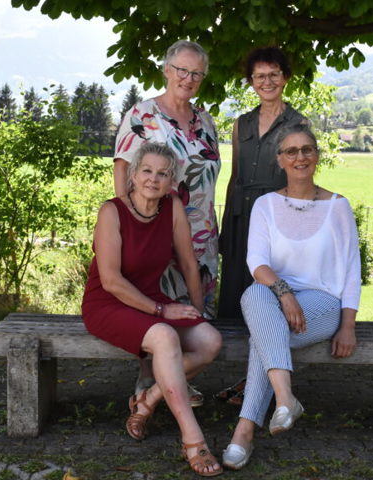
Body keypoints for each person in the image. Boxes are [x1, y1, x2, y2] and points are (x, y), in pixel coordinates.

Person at [221, 125, 360, 470]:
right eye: (292, 151)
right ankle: (282, 400)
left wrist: (348, 326)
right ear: (279, 159)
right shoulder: (267, 205)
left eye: (307, 149)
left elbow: (352, 271)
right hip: (275, 296)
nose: (300, 157)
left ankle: (245, 430)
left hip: (323, 303)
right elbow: (257, 263)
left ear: (317, 155)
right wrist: (284, 294)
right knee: (255, 296)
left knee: (262, 335)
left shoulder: (338, 207)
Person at [82, 142, 223, 477]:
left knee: (210, 342)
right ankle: (193, 438)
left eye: (162, 173)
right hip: (108, 302)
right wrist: (163, 311)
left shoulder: (171, 207)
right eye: (146, 170)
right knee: (163, 337)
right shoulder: (111, 211)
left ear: (171, 180)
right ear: (133, 174)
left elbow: (189, 265)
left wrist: (197, 310)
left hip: (151, 299)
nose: (153, 179)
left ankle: (148, 400)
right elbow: (112, 280)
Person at [114, 40, 221, 404]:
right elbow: (123, 172)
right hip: (154, 230)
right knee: (155, 303)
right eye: (181, 70)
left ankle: (175, 382)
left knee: (194, 311)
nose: (188, 78)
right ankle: (148, 380)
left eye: (196, 73)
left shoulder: (206, 120)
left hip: (201, 234)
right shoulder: (142, 115)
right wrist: (131, 223)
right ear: (166, 70)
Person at [215, 46, 308, 406]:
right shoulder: (241, 123)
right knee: (237, 301)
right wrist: (227, 229)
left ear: (284, 78)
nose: (266, 82)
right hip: (240, 220)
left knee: (267, 301)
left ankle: (262, 386)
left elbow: (300, 180)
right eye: (259, 76)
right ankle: (248, 381)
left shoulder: (298, 124)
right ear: (251, 82)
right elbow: (235, 176)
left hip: (276, 222)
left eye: (273, 74)